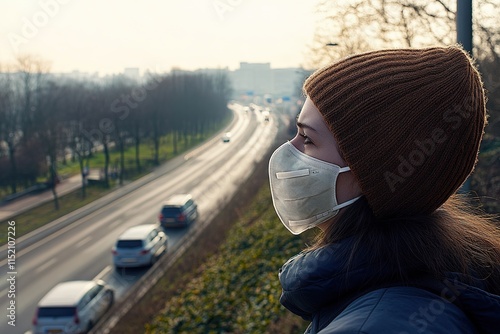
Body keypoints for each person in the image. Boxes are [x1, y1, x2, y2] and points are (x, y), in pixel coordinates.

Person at [268, 45, 500, 333]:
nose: (290, 150)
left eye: (308, 139)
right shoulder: (426, 277)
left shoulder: (376, 324)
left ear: (371, 172)